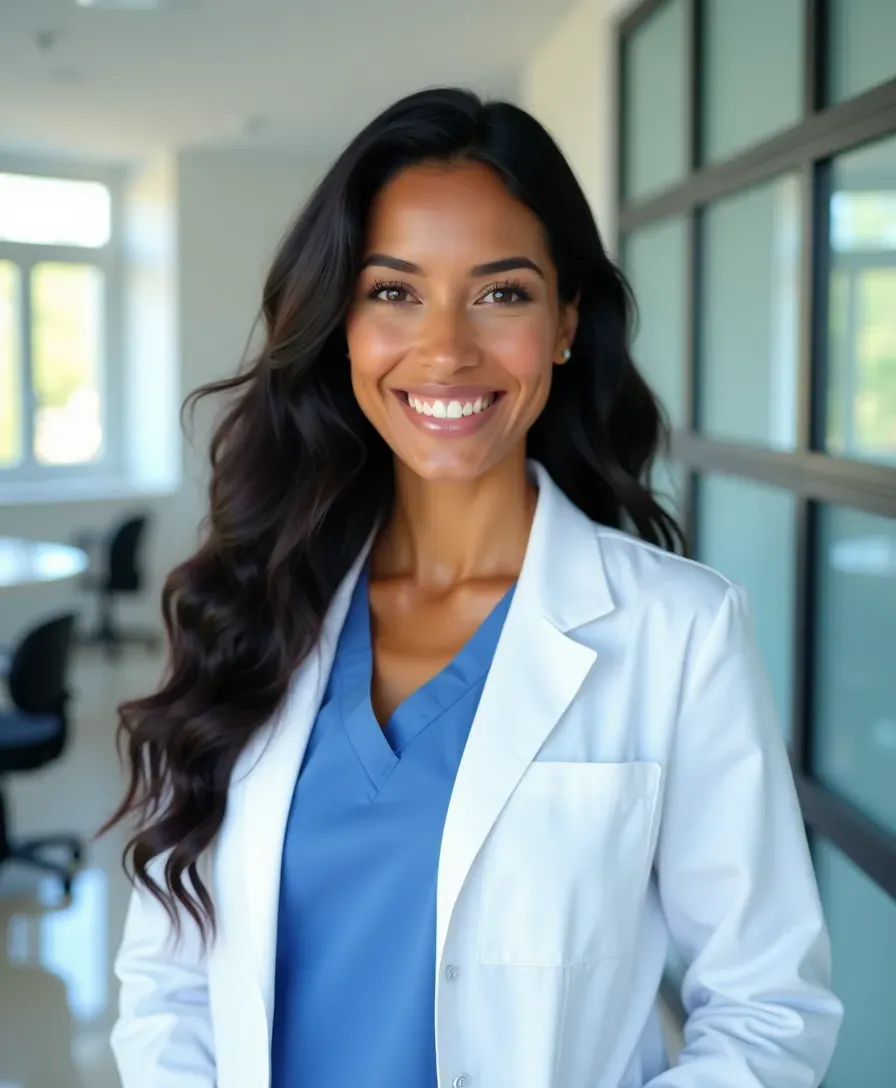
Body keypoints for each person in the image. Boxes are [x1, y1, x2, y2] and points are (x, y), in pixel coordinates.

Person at [104, 88, 842, 1088]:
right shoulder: (249, 606)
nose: (446, 348)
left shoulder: (680, 630)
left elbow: (765, 1006)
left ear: (566, 321)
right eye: (393, 292)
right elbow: (170, 979)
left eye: (500, 293)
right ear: (339, 325)